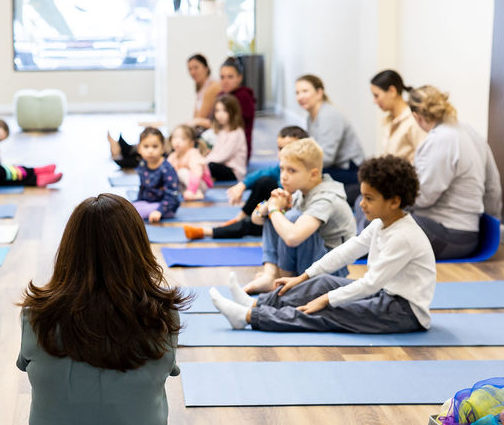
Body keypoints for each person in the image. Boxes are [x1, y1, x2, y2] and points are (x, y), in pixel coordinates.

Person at [15, 193, 188, 425]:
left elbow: (26, 365)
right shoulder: (163, 316)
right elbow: (166, 370)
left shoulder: (35, 314)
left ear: (69, 250)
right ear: (137, 248)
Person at [209, 155, 435, 334]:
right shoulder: (380, 224)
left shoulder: (403, 237)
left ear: (394, 202)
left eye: (369, 198)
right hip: (384, 295)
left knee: (328, 311)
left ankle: (248, 317)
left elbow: (371, 284)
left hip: (403, 312)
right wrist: (304, 276)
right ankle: (257, 305)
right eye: (363, 196)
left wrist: (326, 300)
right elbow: (347, 251)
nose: (362, 204)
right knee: (323, 281)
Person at [239, 138, 356, 294]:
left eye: (292, 171)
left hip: (331, 272)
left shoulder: (326, 198)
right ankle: (271, 275)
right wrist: (268, 205)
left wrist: (275, 210)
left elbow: (292, 238)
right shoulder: (301, 192)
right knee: (277, 215)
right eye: (282, 169)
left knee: (290, 217)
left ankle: (286, 279)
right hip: (313, 264)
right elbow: (256, 218)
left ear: (313, 174)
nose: (284, 176)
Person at [407, 86, 502, 260]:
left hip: (448, 237)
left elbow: (423, 197)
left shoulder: (440, 139)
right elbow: (493, 187)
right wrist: (490, 227)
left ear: (416, 116)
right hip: (470, 236)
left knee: (379, 216)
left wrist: (393, 203)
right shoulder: (472, 133)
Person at [183, 126, 307, 241]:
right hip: (276, 211)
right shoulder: (279, 172)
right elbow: (264, 174)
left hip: (288, 221)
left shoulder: (304, 182)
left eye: (288, 148)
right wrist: (265, 204)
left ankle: (208, 231)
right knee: (262, 189)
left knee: (249, 225)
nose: (283, 153)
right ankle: (238, 219)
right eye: (280, 149)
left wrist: (273, 207)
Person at [108, 54, 221, 168]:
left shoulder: (212, 87)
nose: (192, 72)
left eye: (196, 67)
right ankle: (127, 149)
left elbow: (199, 118)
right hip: (200, 130)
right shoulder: (201, 87)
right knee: (165, 141)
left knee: (166, 147)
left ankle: (126, 153)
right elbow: (196, 118)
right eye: (190, 68)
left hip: (205, 134)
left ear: (206, 68)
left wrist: (189, 127)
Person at [295, 74, 365, 201]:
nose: (300, 96)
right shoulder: (311, 116)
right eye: (297, 92)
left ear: (319, 93)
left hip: (350, 171)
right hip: (334, 167)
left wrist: (301, 165)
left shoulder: (329, 115)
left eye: (305, 91)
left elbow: (327, 156)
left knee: (302, 175)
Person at [370, 70, 426, 162]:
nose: (374, 101)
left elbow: (425, 158)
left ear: (392, 91)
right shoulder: (387, 121)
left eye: (376, 96)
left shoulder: (414, 120)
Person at [132, 127, 180, 223]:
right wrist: (138, 202)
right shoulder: (142, 164)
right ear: (139, 149)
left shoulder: (167, 169)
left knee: (132, 213)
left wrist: (160, 211)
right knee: (127, 207)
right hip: (147, 202)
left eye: (155, 146)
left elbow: (172, 194)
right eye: (146, 146)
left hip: (164, 206)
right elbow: (142, 187)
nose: (150, 150)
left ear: (163, 148)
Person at [204, 94, 249, 182]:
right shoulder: (223, 130)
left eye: (224, 111)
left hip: (234, 171)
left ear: (232, 112)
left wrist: (203, 162)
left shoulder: (237, 132)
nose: (220, 115)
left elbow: (224, 155)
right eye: (217, 111)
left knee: (211, 166)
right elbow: (216, 151)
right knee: (207, 165)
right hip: (222, 165)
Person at [166, 124, 212, 201]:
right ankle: (189, 192)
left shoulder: (193, 153)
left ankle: (196, 192)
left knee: (181, 172)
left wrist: (192, 190)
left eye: (183, 139)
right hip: (186, 185)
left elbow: (197, 173)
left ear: (191, 143)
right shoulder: (173, 156)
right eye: (175, 137)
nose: (177, 141)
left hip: (200, 184)